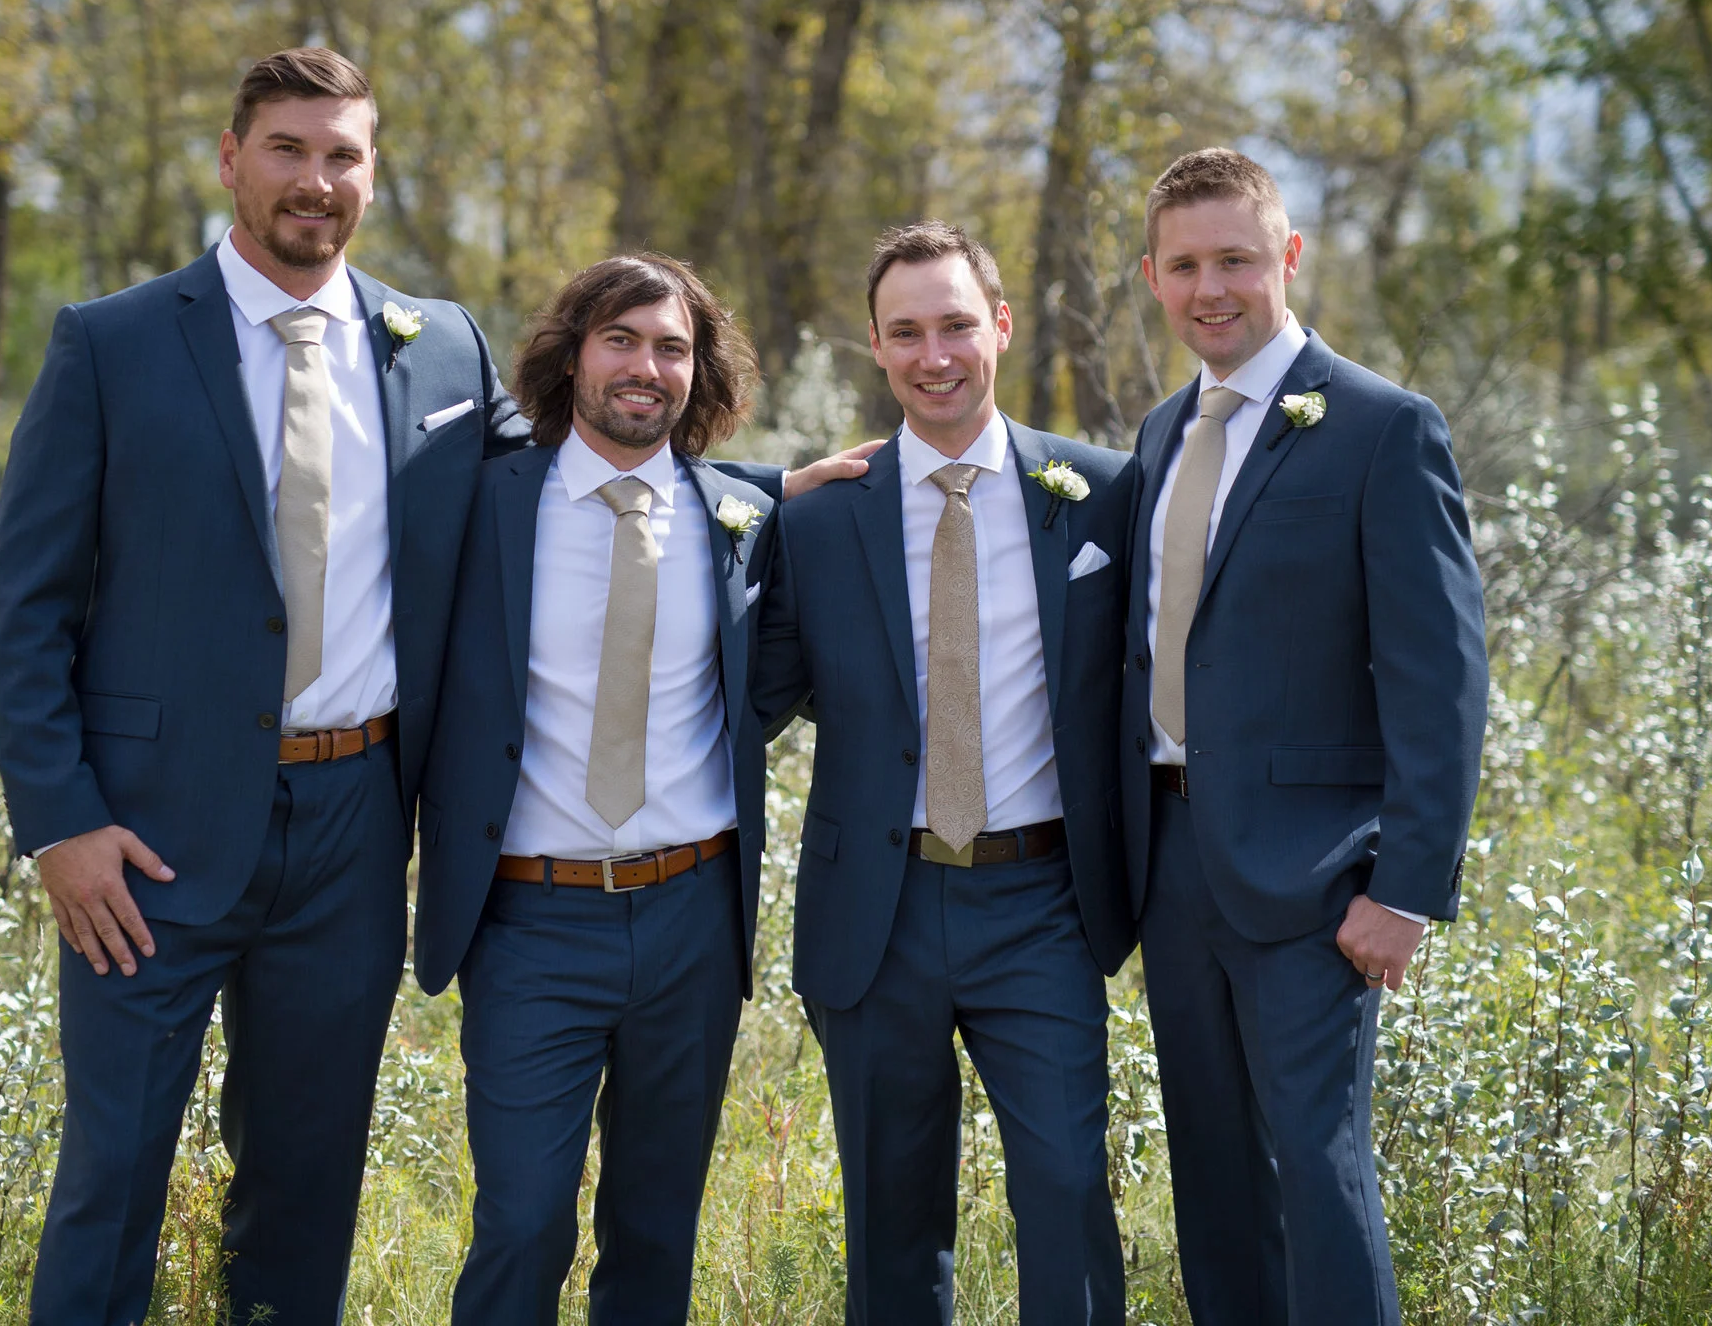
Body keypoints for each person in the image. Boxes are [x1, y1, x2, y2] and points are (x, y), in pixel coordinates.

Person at [0, 47, 532, 1324]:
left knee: (304, 1184)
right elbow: (25, 608)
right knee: (112, 1174)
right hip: (144, 839)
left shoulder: (442, 347)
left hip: (352, 831)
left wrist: (761, 495)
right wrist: (60, 822)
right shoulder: (112, 342)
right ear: (230, 159)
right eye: (287, 147)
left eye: (342, 155)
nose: (314, 180)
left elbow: (566, 481)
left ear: (372, 175)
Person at [1119, 148, 1487, 1325]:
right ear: (1152, 276)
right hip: (1171, 865)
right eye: (1184, 265)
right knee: (1212, 1172)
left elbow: (1441, 677)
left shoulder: (1382, 426)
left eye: (1234, 258)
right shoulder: (1158, 433)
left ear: (1286, 255)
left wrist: (1407, 887)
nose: (1209, 288)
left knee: (1319, 1172)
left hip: (1317, 878)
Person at [753, 222, 1138, 1326]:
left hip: (1042, 903)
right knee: (891, 1214)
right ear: (875, 345)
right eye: (907, 331)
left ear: (1000, 327)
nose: (935, 356)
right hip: (876, 910)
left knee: (1065, 1189)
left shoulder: (1100, 494)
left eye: (957, 325)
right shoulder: (820, 515)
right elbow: (747, 692)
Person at [414, 254, 781, 1325]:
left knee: (657, 1227)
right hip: (530, 920)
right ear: (571, 353)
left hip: (692, 918)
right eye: (619, 339)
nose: (645, 367)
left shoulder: (740, 515)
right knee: (524, 1220)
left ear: (700, 371)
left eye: (672, 348)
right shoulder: (485, 502)